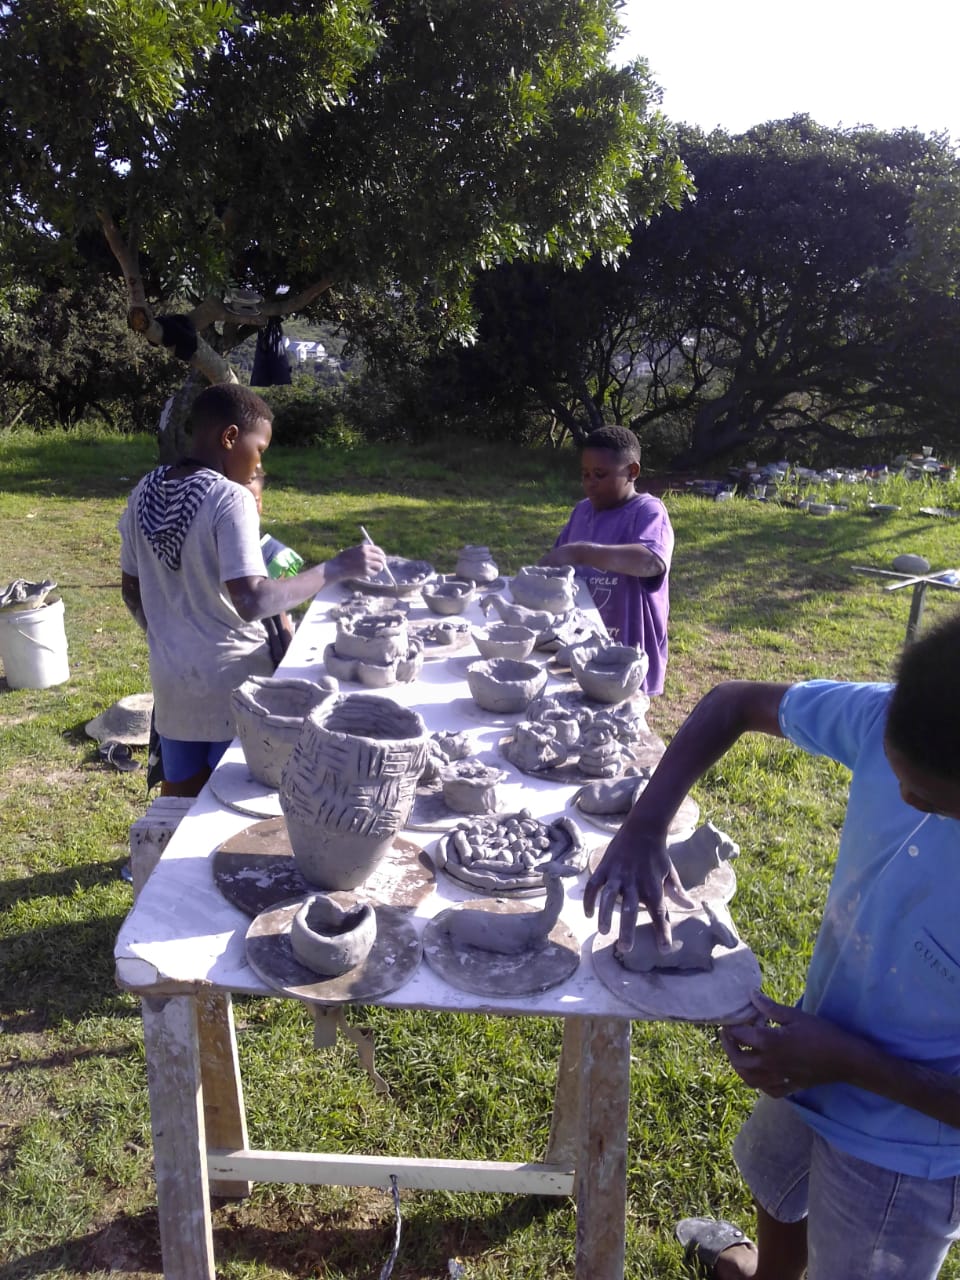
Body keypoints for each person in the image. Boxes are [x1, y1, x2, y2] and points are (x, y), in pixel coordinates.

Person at [584, 614, 960, 1280]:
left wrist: (849, 1061)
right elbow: (733, 702)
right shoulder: (890, 718)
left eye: (928, 798)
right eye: (897, 777)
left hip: (907, 1150)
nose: (903, 797)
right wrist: (646, 823)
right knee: (780, 1188)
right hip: (818, 1053)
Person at [120, 382, 384, 798]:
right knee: (231, 804)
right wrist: (336, 567)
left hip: (173, 685)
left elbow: (131, 590)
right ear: (229, 437)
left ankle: (157, 865)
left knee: (180, 796)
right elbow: (254, 600)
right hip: (235, 690)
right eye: (259, 449)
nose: (260, 461)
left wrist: (169, 633)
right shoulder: (230, 499)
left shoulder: (144, 492)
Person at [539, 424, 673, 696]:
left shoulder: (648, 512)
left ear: (632, 472)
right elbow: (555, 565)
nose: (590, 482)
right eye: (585, 474)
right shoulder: (582, 511)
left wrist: (582, 552)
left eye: (600, 474)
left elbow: (651, 561)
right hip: (581, 647)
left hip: (627, 655)